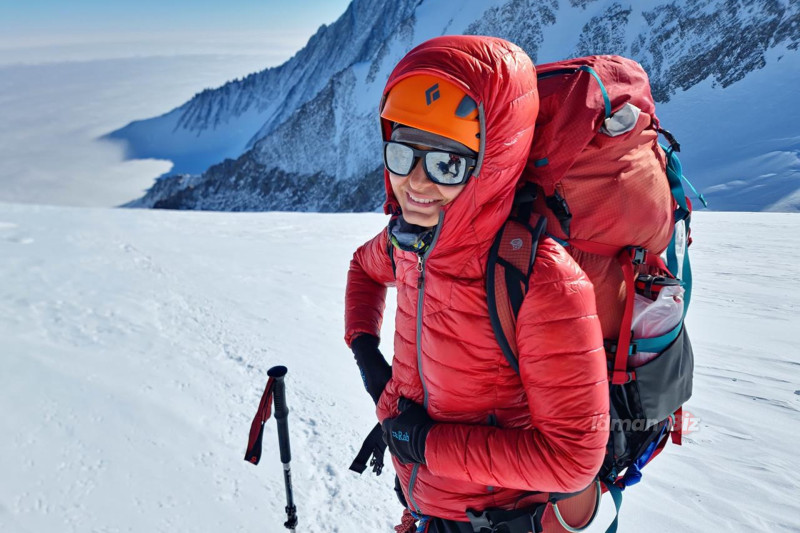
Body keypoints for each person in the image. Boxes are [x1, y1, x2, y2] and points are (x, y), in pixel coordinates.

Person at [345, 35, 609, 533]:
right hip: (426, 504)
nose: (417, 184)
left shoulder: (541, 280)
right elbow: (362, 270)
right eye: (403, 154)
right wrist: (365, 352)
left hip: (500, 520)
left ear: (491, 164)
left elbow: (574, 462)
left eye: (447, 163)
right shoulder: (410, 241)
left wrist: (424, 444)